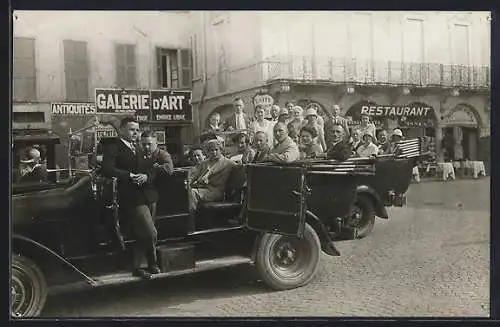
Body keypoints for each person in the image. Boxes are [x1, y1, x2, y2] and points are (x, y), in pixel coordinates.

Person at [102, 117, 160, 279]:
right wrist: (129, 175)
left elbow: (153, 166)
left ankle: (141, 266)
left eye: (137, 130)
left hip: (149, 195)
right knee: (150, 232)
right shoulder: (114, 147)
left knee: (143, 233)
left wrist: (146, 176)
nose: (135, 133)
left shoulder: (140, 147)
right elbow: (107, 169)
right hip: (131, 197)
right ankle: (152, 262)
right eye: (131, 129)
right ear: (121, 130)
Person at [189, 139, 236, 211]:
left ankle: (191, 220)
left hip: (216, 192)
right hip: (202, 189)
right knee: (185, 192)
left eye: (216, 150)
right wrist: (189, 183)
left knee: (192, 193)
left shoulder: (228, 163)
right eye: (211, 150)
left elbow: (241, 167)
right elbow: (194, 177)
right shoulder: (205, 163)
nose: (214, 152)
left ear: (221, 150)